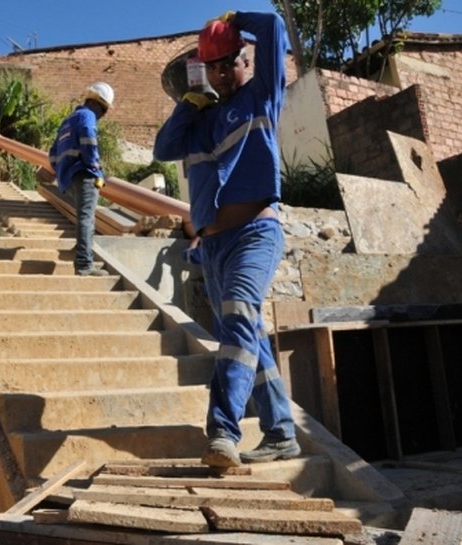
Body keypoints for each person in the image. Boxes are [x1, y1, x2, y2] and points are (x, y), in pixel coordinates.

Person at [154, 11, 300, 467]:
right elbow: (162, 149)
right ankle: (281, 432)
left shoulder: (262, 97)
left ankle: (223, 430)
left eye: (227, 63)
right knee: (247, 334)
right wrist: (189, 103)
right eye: (211, 66)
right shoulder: (198, 122)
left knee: (238, 316)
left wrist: (238, 19)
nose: (220, 73)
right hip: (213, 246)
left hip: (256, 232)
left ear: (245, 61)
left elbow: (274, 28)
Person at [49, 81, 114, 276]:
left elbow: (52, 154)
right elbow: (88, 137)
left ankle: (81, 250)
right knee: (87, 219)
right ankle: (84, 264)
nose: (103, 115)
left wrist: (61, 170)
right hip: (84, 174)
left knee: (82, 218)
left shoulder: (68, 120)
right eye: (104, 110)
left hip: (67, 178)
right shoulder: (87, 116)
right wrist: (94, 166)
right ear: (100, 105)